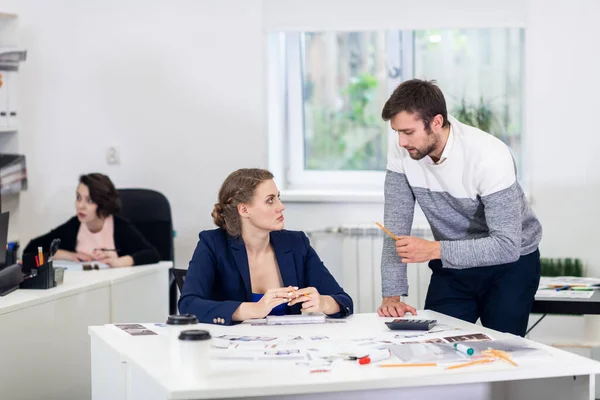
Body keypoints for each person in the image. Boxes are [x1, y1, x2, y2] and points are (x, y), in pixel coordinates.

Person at [377, 79, 542, 337]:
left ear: (437, 122)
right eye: (397, 132)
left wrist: (433, 249)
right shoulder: (403, 152)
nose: (400, 142)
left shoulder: (489, 155)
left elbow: (507, 245)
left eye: (408, 132)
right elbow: (394, 231)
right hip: (453, 264)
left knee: (500, 352)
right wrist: (391, 296)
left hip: (511, 265)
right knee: (434, 343)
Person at [179, 168, 353, 325]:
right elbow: (188, 305)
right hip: (233, 351)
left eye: (279, 197)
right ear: (244, 210)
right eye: (270, 200)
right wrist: (254, 309)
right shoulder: (213, 244)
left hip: (289, 350)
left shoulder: (296, 243)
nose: (281, 207)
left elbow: (344, 300)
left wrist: (323, 302)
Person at [24, 173, 160, 267]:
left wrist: (121, 261)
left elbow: (152, 254)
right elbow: (32, 248)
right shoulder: (74, 225)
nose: (80, 206)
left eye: (89, 200)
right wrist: (70, 255)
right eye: (78, 198)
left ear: (103, 203)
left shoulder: (120, 227)